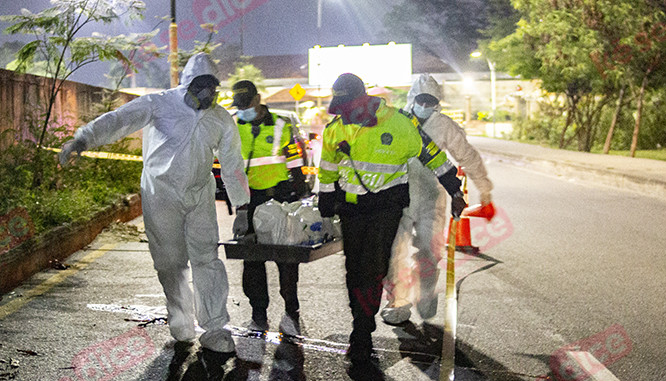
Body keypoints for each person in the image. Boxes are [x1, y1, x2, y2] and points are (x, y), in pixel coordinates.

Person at [59, 53, 250, 353]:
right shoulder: (159, 104)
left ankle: (215, 327)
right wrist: (83, 139)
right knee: (169, 263)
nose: (207, 95)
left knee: (207, 259)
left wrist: (243, 206)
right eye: (200, 88)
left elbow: (233, 163)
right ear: (186, 84)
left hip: (199, 196)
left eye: (212, 89)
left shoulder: (220, 118)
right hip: (161, 195)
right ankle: (181, 319)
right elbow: (120, 120)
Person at [317, 73, 465, 363]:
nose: (343, 112)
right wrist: (324, 206)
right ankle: (361, 321)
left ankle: (361, 331)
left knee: (372, 269)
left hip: (385, 210)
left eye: (347, 105)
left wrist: (455, 191)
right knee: (353, 272)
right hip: (351, 211)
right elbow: (327, 171)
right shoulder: (335, 129)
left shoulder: (400, 124)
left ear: (362, 100)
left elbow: (434, 156)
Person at [380, 74, 494, 325]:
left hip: (431, 198)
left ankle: (426, 293)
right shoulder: (396, 121)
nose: (424, 104)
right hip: (398, 197)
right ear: (412, 98)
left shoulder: (444, 126)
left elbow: (468, 157)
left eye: (430, 100)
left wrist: (483, 188)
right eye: (421, 99)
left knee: (429, 252)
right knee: (392, 254)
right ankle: (396, 302)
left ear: (437, 101)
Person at [230, 80, 308, 335]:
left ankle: (291, 306)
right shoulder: (231, 126)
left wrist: (301, 191)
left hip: (279, 198)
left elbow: (295, 161)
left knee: (286, 258)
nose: (244, 110)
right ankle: (258, 312)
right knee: (252, 260)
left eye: (247, 104)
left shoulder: (281, 125)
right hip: (249, 201)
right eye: (240, 106)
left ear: (258, 98)